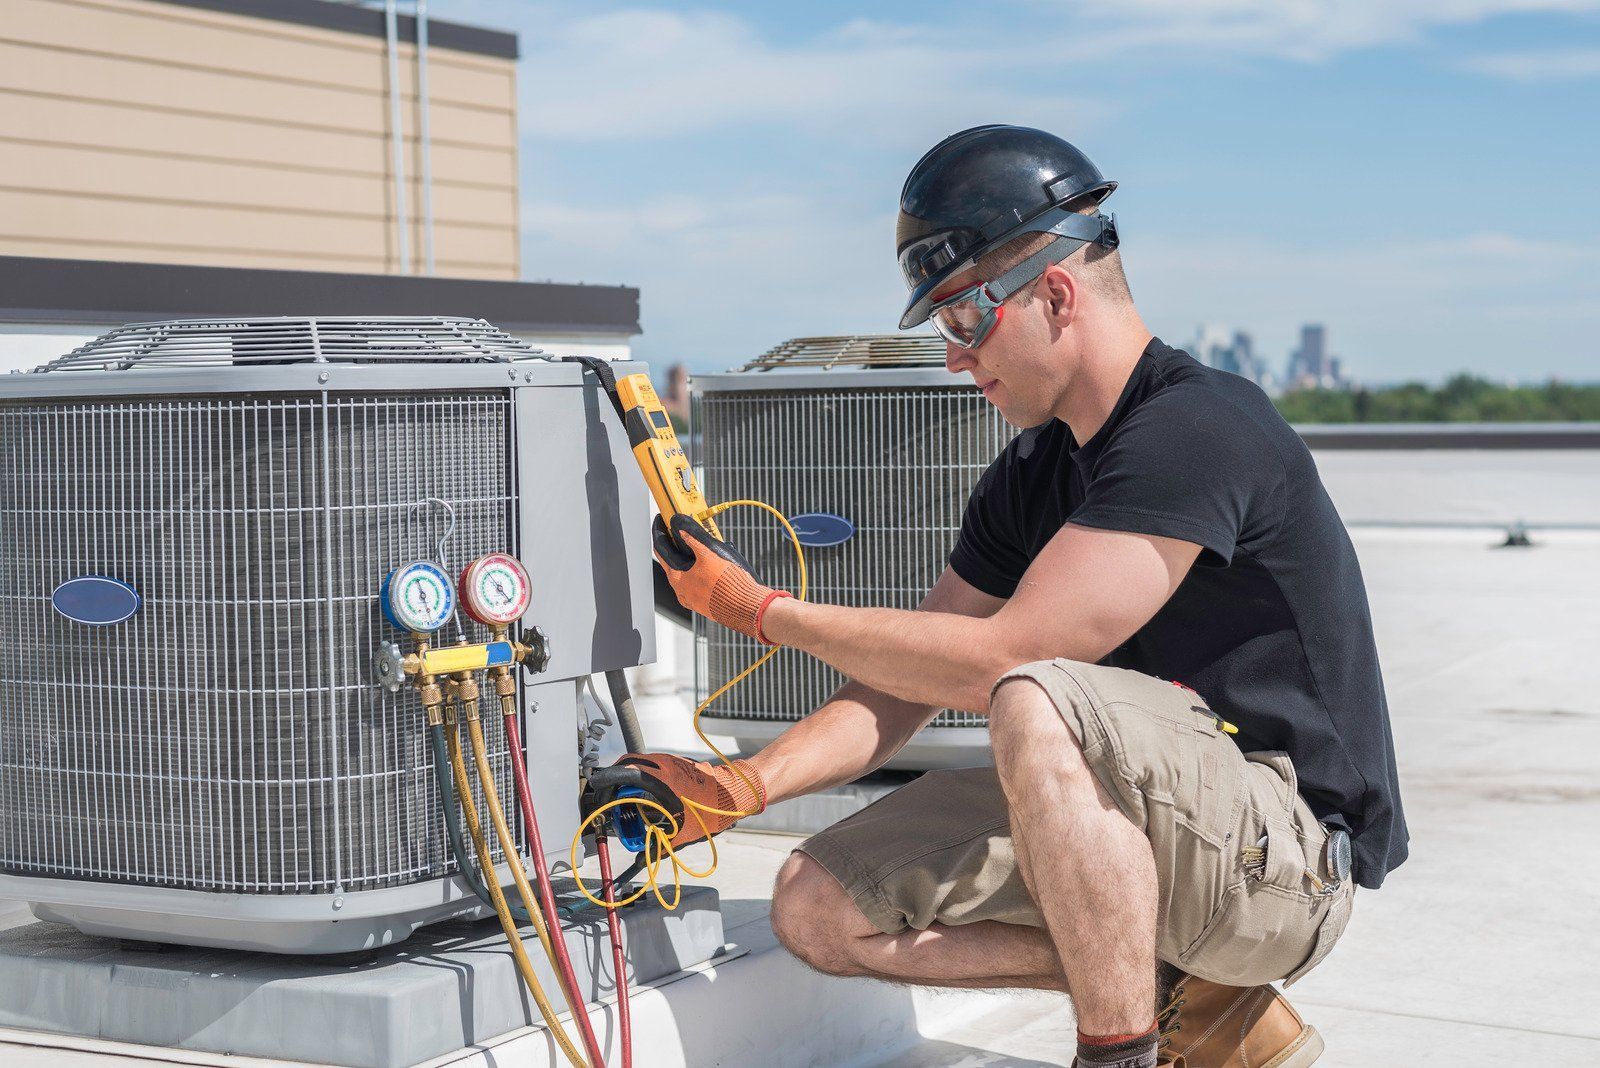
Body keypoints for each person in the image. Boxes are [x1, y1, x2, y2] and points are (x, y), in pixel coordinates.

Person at [625, 125, 1407, 1068]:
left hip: (1283, 863)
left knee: (1036, 697)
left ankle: (1117, 1055)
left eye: (961, 320)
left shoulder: (1198, 429)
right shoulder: (1031, 473)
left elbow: (1006, 657)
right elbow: (907, 677)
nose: (955, 359)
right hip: (1159, 836)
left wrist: (760, 611)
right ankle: (1188, 1002)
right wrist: (744, 785)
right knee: (818, 906)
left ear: (1056, 293)